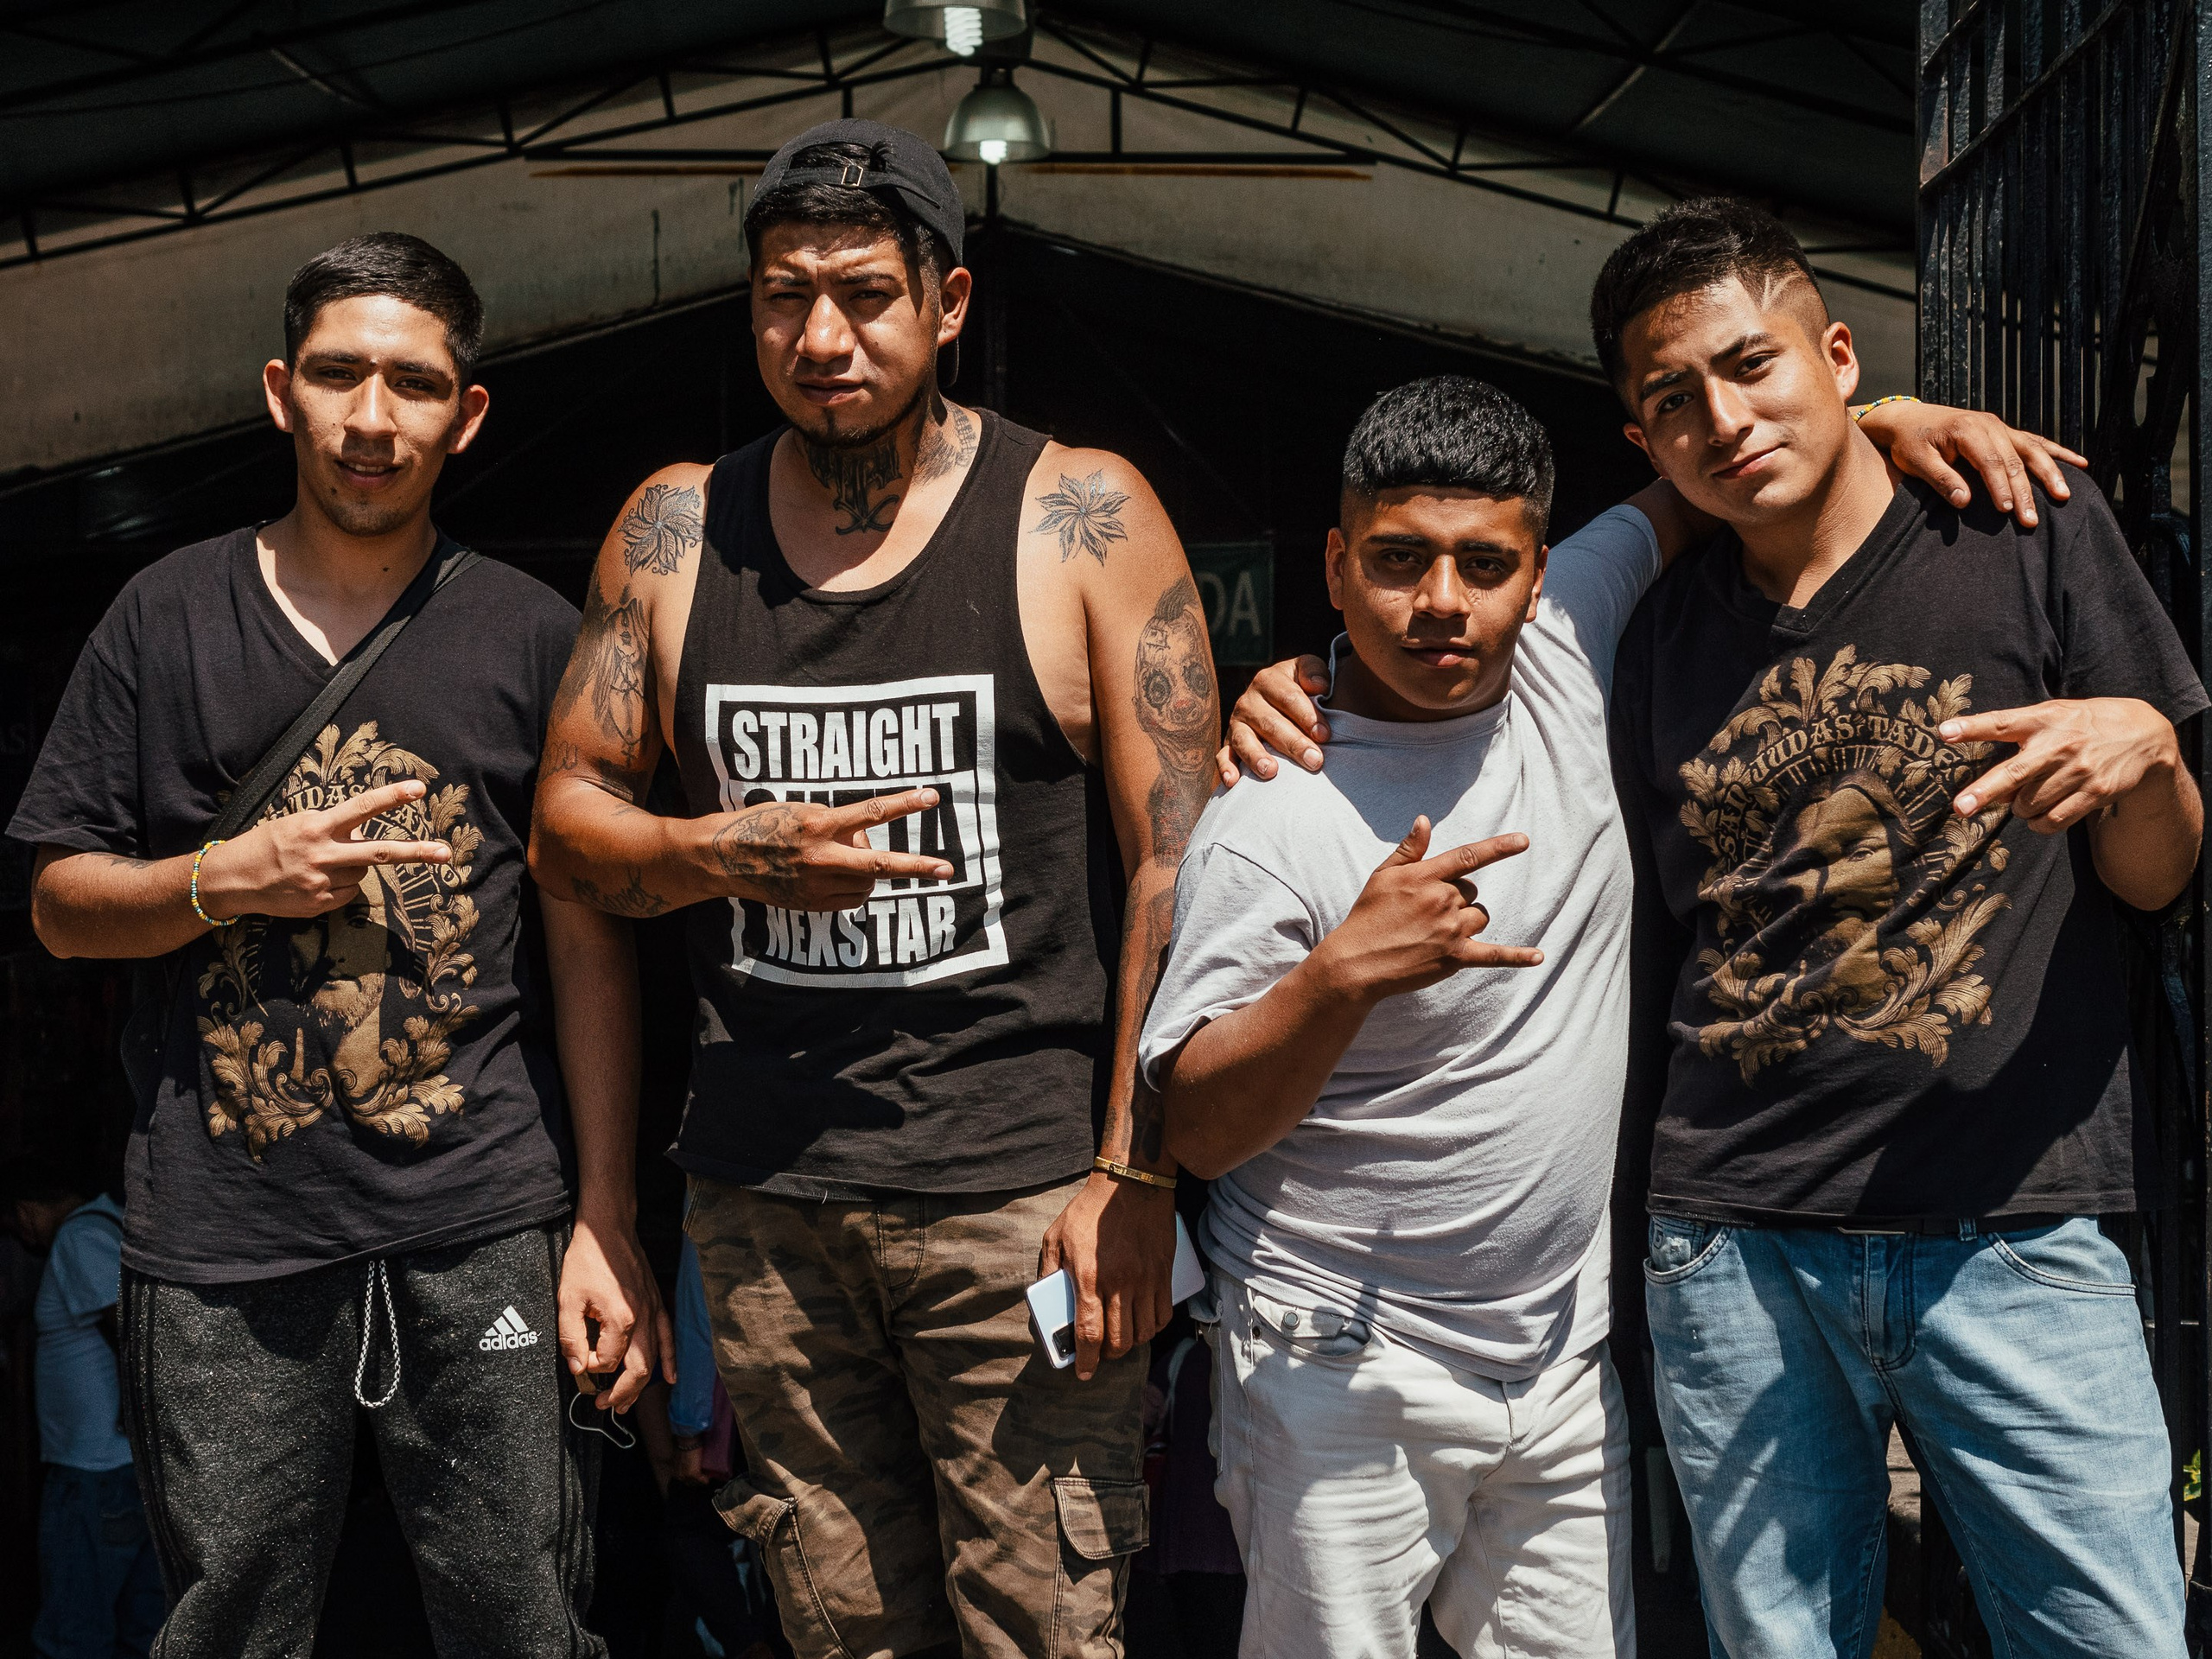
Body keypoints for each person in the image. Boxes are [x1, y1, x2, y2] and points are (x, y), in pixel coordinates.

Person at [1204, 394, 2078, 1659]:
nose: (1441, 599)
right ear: (1335, 566)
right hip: (1338, 1361)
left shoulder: (1567, 638)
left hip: (1556, 1367)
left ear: (1540, 573)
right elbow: (1198, 1123)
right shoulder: (1272, 809)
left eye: (1484, 564)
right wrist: (1334, 982)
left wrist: (1872, 415)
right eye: (1397, 561)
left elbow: (1699, 488)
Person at [531, 118, 1217, 1657]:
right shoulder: (675, 529)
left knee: (1046, 1625)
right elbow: (566, 832)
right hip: (768, 1208)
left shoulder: (1077, 517)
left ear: (949, 305)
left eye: (862, 293)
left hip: (1025, 1204)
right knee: (837, 1629)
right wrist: (717, 852)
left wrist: (1137, 1174)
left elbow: (1184, 862)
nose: (819, 335)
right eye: (783, 296)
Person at [10, 232, 669, 1657]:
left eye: (414, 385)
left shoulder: (530, 632)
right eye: (339, 375)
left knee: (527, 1622)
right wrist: (222, 881)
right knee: (232, 1626)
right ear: (278, 392)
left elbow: (589, 947)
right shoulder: (166, 618)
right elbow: (60, 902)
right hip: (224, 1238)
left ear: (467, 413)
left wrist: (605, 1219)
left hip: (485, 1219)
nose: (374, 418)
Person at [1592, 198, 2204, 1659]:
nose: (1725, 419)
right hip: (1733, 1241)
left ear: (1840, 353)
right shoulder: (1654, 633)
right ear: (1644, 443)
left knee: (2113, 1640)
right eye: (1673, 401)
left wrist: (2150, 753)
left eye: (1754, 366)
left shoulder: (2023, 533)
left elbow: (2156, 880)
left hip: (2015, 1220)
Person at [6, 1160, 162, 1659]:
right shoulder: (114, 1225)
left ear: (26, 1213)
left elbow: (129, 1331)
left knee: (75, 1630)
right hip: (123, 1466)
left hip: (93, 1470)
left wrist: (131, 1411)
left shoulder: (79, 1238)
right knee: (141, 1623)